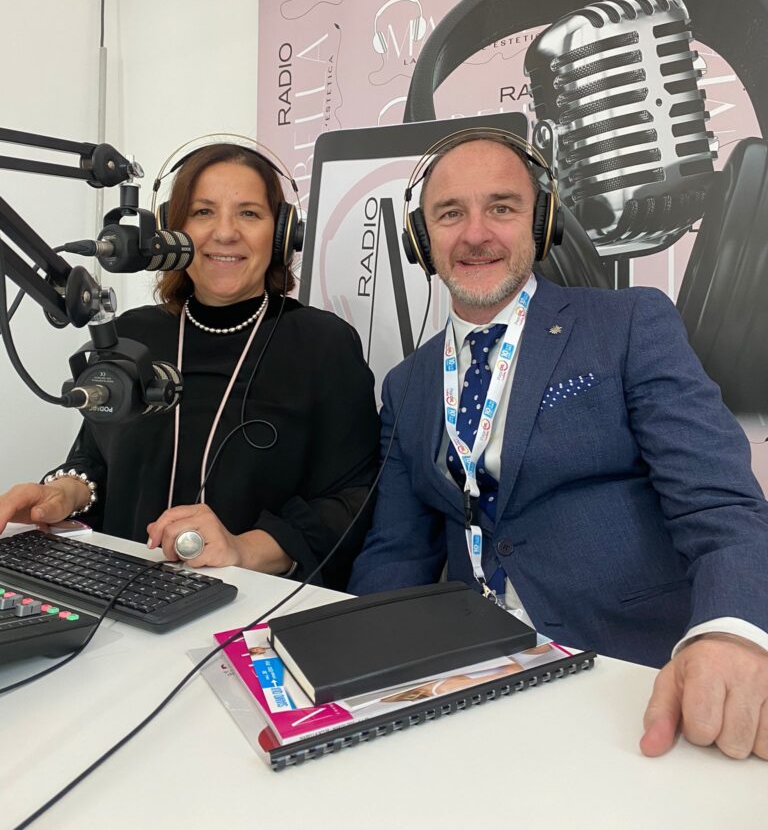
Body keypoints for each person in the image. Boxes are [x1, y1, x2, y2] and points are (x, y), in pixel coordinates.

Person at [348, 131, 768, 759]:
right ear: (420, 238)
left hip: (627, 670)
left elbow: (720, 506)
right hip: (472, 680)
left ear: (541, 222)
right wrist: (358, 670)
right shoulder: (407, 384)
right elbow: (396, 551)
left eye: (502, 207)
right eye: (450, 213)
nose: (476, 234)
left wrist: (731, 633)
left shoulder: (627, 323)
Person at [0, 142, 379, 590]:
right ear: (170, 234)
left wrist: (242, 549)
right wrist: (61, 493)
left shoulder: (323, 344)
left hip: (251, 602)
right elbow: (95, 457)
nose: (225, 233)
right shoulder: (129, 334)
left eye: (249, 213)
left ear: (281, 234)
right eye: (202, 212)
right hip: (120, 591)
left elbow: (352, 500)